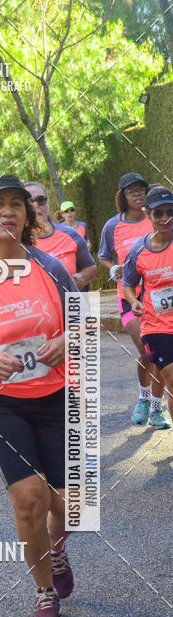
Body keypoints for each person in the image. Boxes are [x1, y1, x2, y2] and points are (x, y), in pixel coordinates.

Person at [0, 175, 79, 617]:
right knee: (30, 499)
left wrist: (67, 340)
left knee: (73, 507)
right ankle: (44, 590)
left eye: (17, 204)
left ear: (28, 215)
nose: (8, 211)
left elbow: (84, 325)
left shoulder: (51, 268)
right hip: (2, 402)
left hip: (56, 396)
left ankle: (56, 548)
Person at [98, 173, 167, 427]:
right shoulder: (112, 226)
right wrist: (112, 268)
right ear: (122, 197)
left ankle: (157, 408)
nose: (137, 195)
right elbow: (104, 256)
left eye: (141, 191)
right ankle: (143, 396)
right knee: (147, 351)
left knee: (159, 353)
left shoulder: (156, 219)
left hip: (157, 297)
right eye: (132, 192)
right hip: (128, 296)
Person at [122, 187, 173, 425]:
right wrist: (133, 302)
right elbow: (128, 283)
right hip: (156, 327)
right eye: (159, 213)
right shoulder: (137, 251)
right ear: (148, 214)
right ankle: (151, 404)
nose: (165, 218)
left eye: (170, 212)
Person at [23, 182, 96, 289]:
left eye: (41, 200)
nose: (36, 205)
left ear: (48, 202)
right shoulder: (16, 243)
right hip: (39, 304)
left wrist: (82, 277)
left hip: (71, 302)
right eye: (29, 202)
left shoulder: (71, 234)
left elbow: (91, 267)